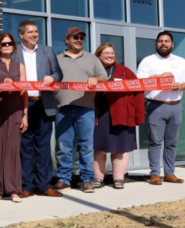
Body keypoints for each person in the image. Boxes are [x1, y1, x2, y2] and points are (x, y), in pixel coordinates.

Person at [12, 19, 64, 198]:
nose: (34, 35)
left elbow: (59, 73)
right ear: (21, 35)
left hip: (44, 103)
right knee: (25, 146)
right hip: (23, 105)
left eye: (36, 31)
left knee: (43, 146)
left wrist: (52, 77)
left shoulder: (47, 51)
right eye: (30, 32)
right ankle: (26, 185)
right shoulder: (14, 52)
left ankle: (44, 185)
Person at [136, 31, 185, 185]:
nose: (163, 44)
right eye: (160, 41)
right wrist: (159, 77)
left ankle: (169, 173)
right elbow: (139, 81)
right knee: (155, 141)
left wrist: (182, 85)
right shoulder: (148, 61)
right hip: (156, 105)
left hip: (176, 106)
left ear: (172, 44)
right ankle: (155, 174)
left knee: (172, 142)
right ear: (157, 44)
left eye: (166, 41)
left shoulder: (180, 61)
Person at [54, 27, 107, 194]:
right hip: (62, 108)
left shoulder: (92, 59)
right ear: (66, 40)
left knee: (86, 146)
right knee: (63, 146)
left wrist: (95, 79)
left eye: (81, 38)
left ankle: (87, 179)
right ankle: (64, 179)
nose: (78, 40)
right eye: (75, 37)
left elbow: (103, 78)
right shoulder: (56, 59)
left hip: (86, 108)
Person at [91, 43, 145, 190]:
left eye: (112, 53)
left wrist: (139, 116)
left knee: (120, 148)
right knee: (99, 148)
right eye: (106, 53)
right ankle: (98, 178)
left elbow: (139, 92)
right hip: (99, 115)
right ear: (98, 55)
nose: (110, 56)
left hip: (122, 115)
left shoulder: (125, 72)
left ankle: (118, 179)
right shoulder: (91, 70)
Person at [0, 33, 28, 203]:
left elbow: (24, 92)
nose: (7, 46)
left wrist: (25, 115)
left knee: (12, 150)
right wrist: (0, 88)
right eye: (3, 44)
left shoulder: (19, 66)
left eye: (10, 43)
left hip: (15, 111)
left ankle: (13, 190)